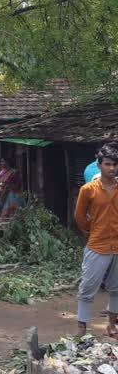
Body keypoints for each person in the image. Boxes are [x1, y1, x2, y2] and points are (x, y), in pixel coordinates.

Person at [74, 142, 118, 338]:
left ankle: (111, 325)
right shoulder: (88, 189)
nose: (112, 168)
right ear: (99, 165)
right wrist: (89, 233)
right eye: (108, 164)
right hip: (97, 244)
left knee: (116, 288)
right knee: (88, 287)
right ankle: (82, 327)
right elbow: (79, 216)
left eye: (115, 165)